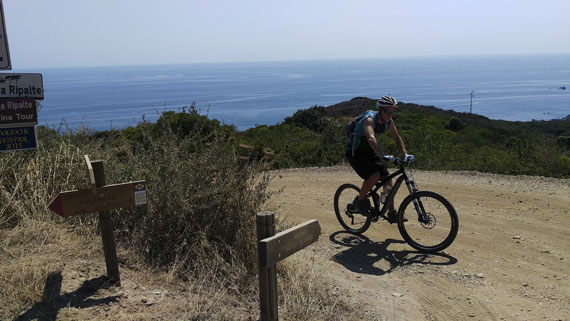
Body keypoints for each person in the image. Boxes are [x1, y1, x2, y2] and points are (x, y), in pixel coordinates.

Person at [345, 95, 414, 222]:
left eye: (392, 111)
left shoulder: (389, 121)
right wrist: (383, 155)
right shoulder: (369, 120)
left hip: (370, 150)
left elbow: (397, 137)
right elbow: (371, 138)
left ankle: (391, 213)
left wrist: (405, 154)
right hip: (355, 151)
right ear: (380, 109)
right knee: (374, 176)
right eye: (387, 111)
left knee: (388, 180)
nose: (389, 114)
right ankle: (359, 201)